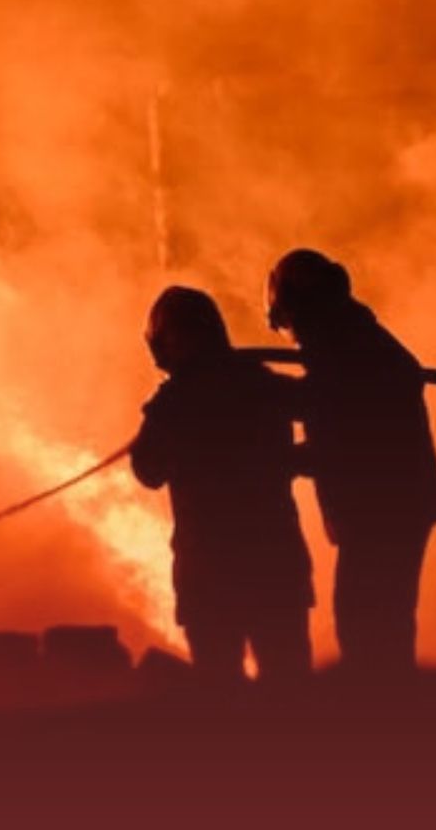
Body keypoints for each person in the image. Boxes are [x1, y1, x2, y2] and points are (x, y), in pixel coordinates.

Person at [265, 249, 436, 670]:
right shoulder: (354, 342)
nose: (292, 334)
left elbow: (334, 426)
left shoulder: (350, 351)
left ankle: (384, 717)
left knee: (367, 624)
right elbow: (326, 412)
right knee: (380, 621)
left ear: (302, 308)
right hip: (392, 505)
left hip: (382, 508)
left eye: (290, 322)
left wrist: (257, 399)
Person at [131, 285, 315, 683]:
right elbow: (324, 406)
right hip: (275, 561)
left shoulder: (174, 403)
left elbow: (147, 471)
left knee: (220, 692)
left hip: (209, 571)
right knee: (291, 689)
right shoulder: (261, 384)